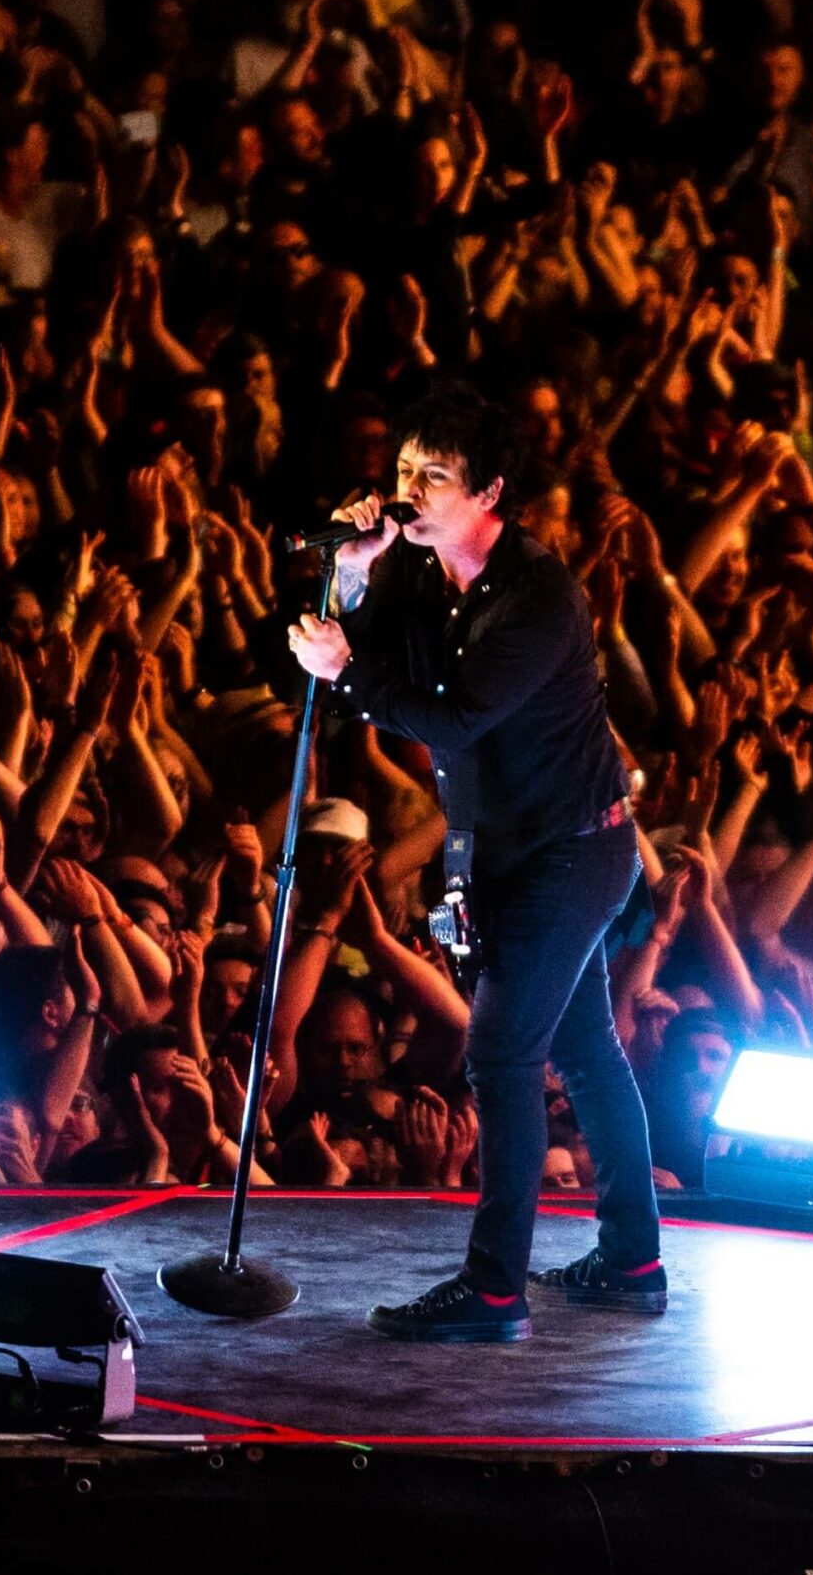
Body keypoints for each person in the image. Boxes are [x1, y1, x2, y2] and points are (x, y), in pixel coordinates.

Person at [288, 384, 664, 1340]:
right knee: (585, 1049)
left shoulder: (539, 598)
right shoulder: (422, 569)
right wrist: (359, 574)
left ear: (490, 491)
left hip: (573, 855)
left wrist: (348, 673)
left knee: (501, 1053)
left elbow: (452, 716)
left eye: (436, 478)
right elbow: (369, 653)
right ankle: (633, 1262)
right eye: (407, 470)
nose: (410, 491)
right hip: (505, 848)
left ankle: (496, 1293)